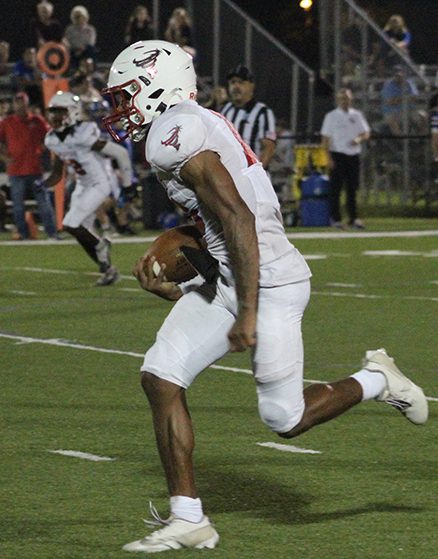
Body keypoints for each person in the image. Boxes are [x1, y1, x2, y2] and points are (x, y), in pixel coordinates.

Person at [102, 40, 429, 553]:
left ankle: (376, 379)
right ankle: (189, 519)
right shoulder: (184, 126)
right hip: (234, 276)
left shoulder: (174, 133)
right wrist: (181, 284)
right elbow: (213, 230)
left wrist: (248, 311)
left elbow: (239, 219)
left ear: (155, 87)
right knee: (160, 375)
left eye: (125, 96)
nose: (120, 109)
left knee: (285, 419)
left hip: (269, 280)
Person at [43, 90, 136, 285]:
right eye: (53, 112)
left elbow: (120, 153)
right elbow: (57, 172)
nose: (55, 116)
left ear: (73, 111)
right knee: (81, 231)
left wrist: (128, 185)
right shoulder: (52, 139)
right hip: (82, 185)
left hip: (99, 183)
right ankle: (108, 269)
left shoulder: (84, 133)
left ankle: (102, 245)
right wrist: (42, 185)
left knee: (70, 224)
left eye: (60, 111)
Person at [0, 91, 57, 240]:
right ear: (14, 104)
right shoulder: (7, 122)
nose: (20, 106)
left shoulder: (36, 120)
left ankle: (52, 233)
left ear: (27, 104)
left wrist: (43, 149)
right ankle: (23, 235)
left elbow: (49, 136)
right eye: (17, 103)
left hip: (34, 169)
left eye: (22, 103)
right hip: (15, 170)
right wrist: (4, 158)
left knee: (44, 203)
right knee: (18, 206)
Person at [320, 87, 370, 229]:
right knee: (335, 189)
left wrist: (358, 140)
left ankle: (353, 218)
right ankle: (335, 219)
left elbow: (365, 132)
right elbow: (325, 139)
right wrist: (328, 158)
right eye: (342, 98)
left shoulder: (357, 115)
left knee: (352, 189)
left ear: (351, 99)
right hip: (338, 154)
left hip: (353, 155)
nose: (345, 101)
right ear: (337, 100)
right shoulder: (332, 116)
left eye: (347, 98)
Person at [221, 65, 277, 171]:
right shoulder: (225, 110)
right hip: (229, 173)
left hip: (251, 173)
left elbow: (269, 147)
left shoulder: (263, 112)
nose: (236, 86)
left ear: (251, 86)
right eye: (232, 82)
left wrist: (256, 173)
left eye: (241, 82)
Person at [381, 65, 420, 136]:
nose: (398, 77)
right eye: (396, 75)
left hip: (409, 110)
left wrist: (397, 99)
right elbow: (390, 102)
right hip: (392, 111)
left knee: (423, 116)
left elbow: (415, 98)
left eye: (400, 74)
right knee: (392, 121)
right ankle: (401, 141)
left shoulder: (409, 82)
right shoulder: (388, 84)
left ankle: (421, 140)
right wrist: (406, 98)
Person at [63, 5, 97, 71]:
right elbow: (67, 41)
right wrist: (76, 49)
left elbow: (91, 42)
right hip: (73, 51)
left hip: (86, 51)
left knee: (91, 49)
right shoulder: (69, 29)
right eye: (76, 17)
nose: (78, 19)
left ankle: (91, 70)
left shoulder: (90, 29)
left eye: (80, 16)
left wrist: (81, 49)